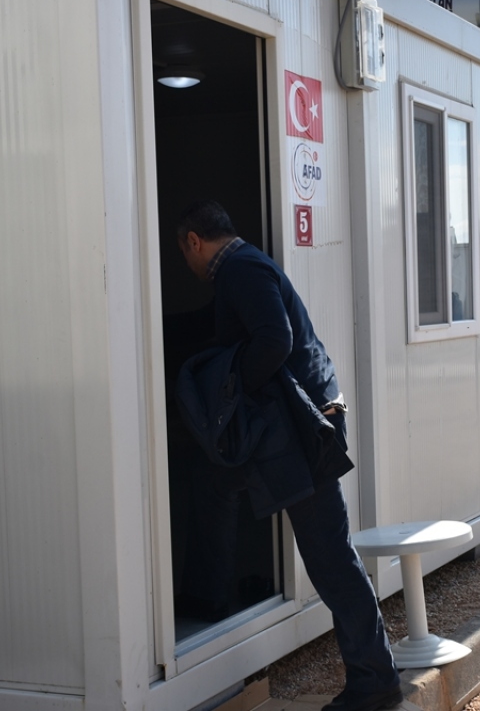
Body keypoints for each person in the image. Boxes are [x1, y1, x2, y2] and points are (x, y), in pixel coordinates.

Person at [176, 201, 403, 711]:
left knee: (330, 557)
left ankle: (375, 680)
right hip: (302, 424)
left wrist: (234, 393)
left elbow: (274, 341)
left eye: (182, 252)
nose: (185, 265)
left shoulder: (240, 269)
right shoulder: (247, 266)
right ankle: (206, 592)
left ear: (194, 241)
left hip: (303, 432)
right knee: (213, 480)